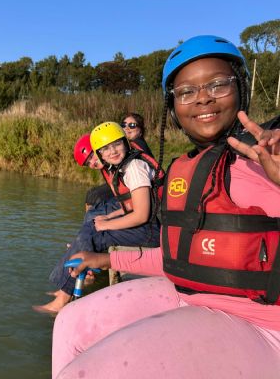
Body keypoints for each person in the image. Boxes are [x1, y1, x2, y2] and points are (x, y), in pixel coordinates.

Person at [52, 35, 280, 378]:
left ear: (241, 89)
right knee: (70, 323)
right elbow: (175, 258)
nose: (203, 97)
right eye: (186, 91)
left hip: (263, 324)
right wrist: (104, 259)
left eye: (218, 84)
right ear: (172, 107)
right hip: (189, 295)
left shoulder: (270, 155)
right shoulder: (183, 171)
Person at [33, 122, 161, 313]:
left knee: (94, 233)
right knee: (92, 226)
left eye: (116, 145)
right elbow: (130, 206)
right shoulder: (123, 167)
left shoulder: (134, 168)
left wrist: (106, 225)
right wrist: (108, 218)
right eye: (106, 149)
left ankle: (64, 295)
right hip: (149, 226)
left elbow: (141, 215)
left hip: (154, 232)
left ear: (126, 142)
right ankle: (65, 288)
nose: (112, 151)